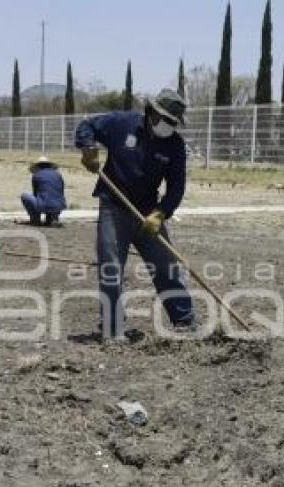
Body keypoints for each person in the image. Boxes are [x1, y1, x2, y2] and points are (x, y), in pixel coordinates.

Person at [75, 88, 194, 340]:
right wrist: (88, 148)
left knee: (166, 266)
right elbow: (87, 125)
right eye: (167, 120)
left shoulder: (174, 145)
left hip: (148, 214)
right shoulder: (122, 123)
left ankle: (184, 319)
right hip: (114, 206)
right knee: (111, 267)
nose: (170, 126)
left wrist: (160, 214)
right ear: (152, 112)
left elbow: (176, 188)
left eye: (174, 122)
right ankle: (113, 328)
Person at [20, 156, 67, 226]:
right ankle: (53, 218)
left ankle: (35, 219)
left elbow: (36, 193)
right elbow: (60, 192)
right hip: (59, 205)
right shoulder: (58, 175)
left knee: (25, 195)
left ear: (38, 166)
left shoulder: (36, 175)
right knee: (54, 197)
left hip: (45, 205)